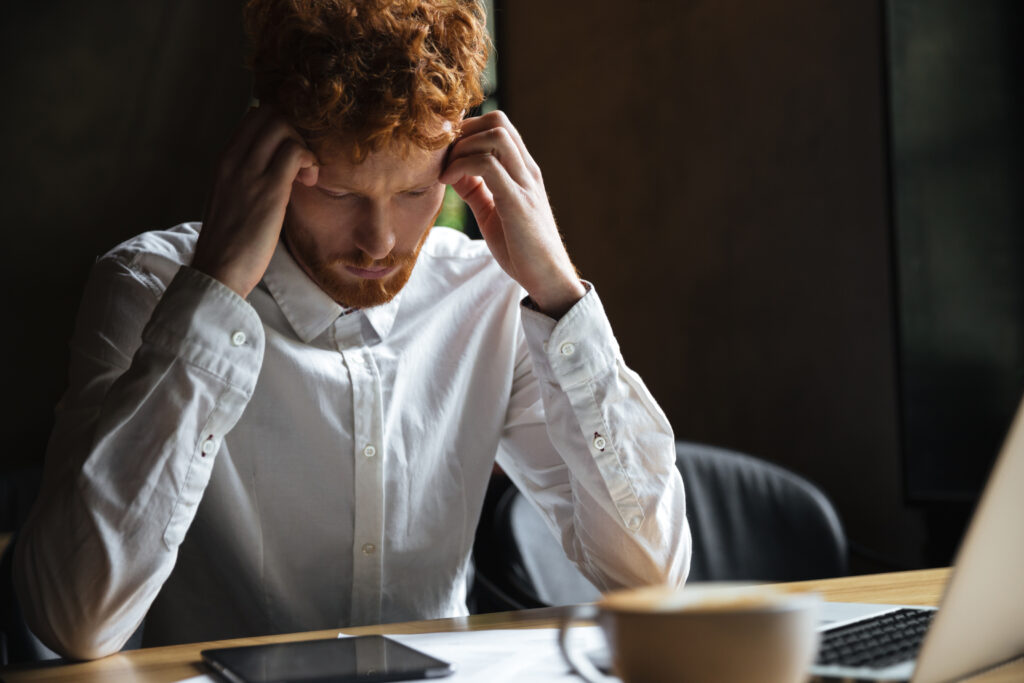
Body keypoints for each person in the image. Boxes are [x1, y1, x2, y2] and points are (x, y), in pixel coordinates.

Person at [14, 0, 690, 660]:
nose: (379, 242)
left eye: (415, 192)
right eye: (339, 193)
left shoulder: (491, 298)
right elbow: (73, 621)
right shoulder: (147, 288)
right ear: (262, 147)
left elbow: (652, 577)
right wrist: (212, 294)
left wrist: (561, 295)